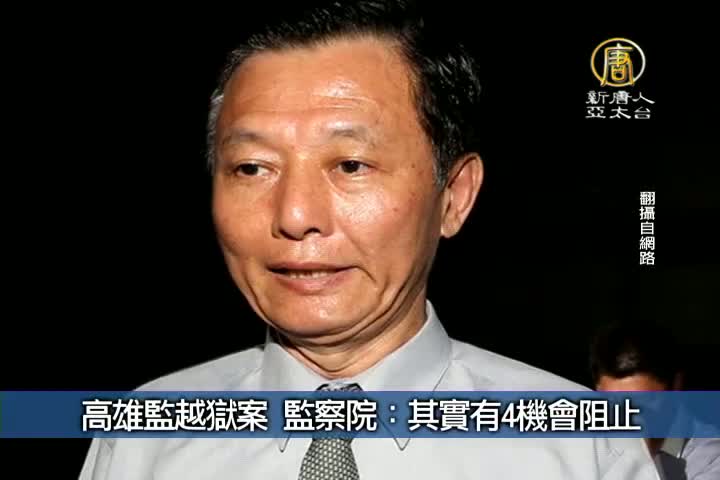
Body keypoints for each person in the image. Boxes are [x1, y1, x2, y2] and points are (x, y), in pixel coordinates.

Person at [80, 1, 658, 478]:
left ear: (454, 196)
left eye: (351, 165)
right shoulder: (142, 442)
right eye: (253, 168)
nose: (295, 215)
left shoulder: (581, 450)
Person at [591, 320, 720, 480]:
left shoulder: (711, 459)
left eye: (641, 402)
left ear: (676, 386)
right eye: (614, 401)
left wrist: (642, 458)